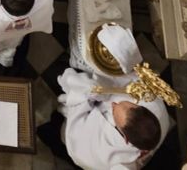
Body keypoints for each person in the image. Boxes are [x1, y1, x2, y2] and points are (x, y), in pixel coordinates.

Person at [50, 24, 174, 169]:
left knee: (54, 128)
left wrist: (84, 95)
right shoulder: (153, 105)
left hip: (80, 137)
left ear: (125, 138)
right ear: (140, 107)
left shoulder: (103, 151)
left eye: (115, 110)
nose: (115, 104)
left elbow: (76, 122)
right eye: (126, 104)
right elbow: (132, 79)